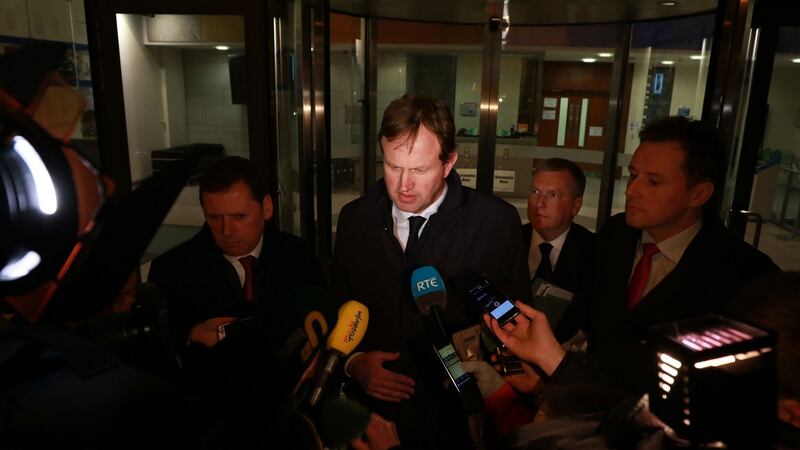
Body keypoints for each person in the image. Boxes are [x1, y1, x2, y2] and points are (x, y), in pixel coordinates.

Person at [332, 95, 530, 448]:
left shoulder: (495, 222)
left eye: (420, 170)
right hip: (374, 415)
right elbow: (338, 302)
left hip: (455, 420)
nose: (403, 185)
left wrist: (498, 400)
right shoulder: (354, 219)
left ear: (449, 162)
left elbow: (514, 320)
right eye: (393, 167)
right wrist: (354, 364)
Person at [536, 116, 779, 397]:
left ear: (699, 194)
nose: (631, 190)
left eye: (652, 182)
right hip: (585, 407)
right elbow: (586, 316)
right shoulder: (615, 234)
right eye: (633, 174)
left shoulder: (743, 275)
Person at [148, 156, 324, 401]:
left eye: (239, 216)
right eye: (215, 218)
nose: (227, 231)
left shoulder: (298, 255)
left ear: (266, 208)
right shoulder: (170, 270)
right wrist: (189, 336)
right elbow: (157, 366)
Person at [523, 158, 594, 294]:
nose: (539, 204)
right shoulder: (507, 240)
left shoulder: (594, 252)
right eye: (535, 192)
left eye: (553, 195)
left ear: (575, 205)